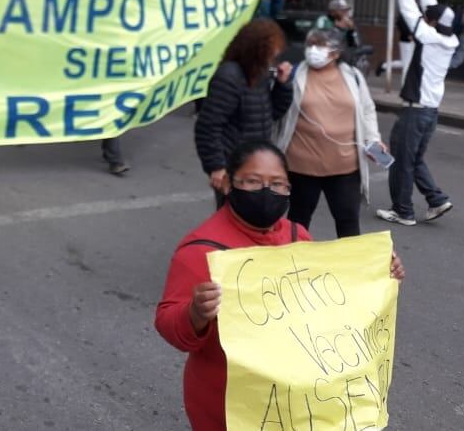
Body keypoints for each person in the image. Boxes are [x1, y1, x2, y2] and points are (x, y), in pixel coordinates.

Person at [154, 140, 405, 431]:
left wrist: (378, 274)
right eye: (252, 181)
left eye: (278, 184)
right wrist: (195, 313)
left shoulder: (297, 236)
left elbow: (328, 305)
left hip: (292, 404)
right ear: (227, 184)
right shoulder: (200, 251)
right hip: (227, 406)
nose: (266, 192)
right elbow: (168, 324)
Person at [274, 29, 385, 238]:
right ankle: (293, 267)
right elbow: (276, 111)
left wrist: (373, 139)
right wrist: (280, 85)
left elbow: (367, 109)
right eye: (310, 45)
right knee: (298, 222)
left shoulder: (354, 77)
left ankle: (349, 269)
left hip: (345, 167)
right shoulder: (295, 73)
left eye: (319, 45)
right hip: (301, 166)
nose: (312, 50)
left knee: (348, 221)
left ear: (335, 52)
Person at [376, 0, 457, 226]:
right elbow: (432, 10)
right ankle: (436, 199)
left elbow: (410, 11)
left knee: (401, 160)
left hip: (416, 111)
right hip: (430, 112)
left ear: (431, 23)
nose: (425, 17)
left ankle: (403, 211)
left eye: (428, 17)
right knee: (415, 159)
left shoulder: (429, 37)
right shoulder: (447, 38)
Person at [194, 18, 293, 208]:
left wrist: (283, 85)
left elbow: (272, 113)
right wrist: (216, 167)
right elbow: (208, 126)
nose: (276, 54)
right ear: (256, 47)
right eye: (271, 48)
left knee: (254, 221)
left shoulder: (258, 73)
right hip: (235, 164)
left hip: (256, 161)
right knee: (233, 221)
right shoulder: (229, 76)